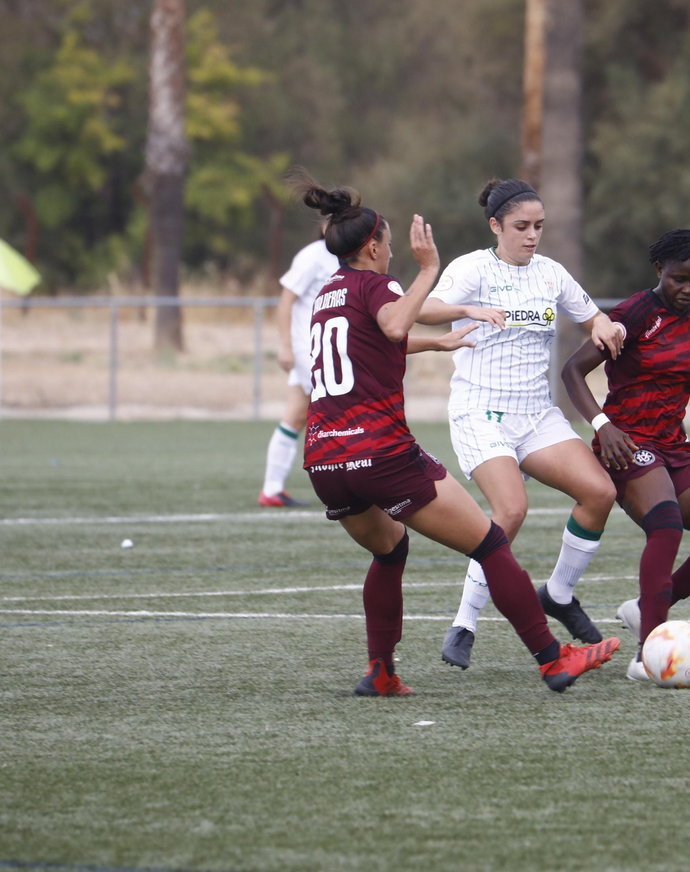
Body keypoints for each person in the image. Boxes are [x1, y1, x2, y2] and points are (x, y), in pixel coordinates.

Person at [292, 173, 618, 695]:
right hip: (379, 452)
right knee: (492, 543)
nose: (393, 252)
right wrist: (428, 269)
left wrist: (437, 346)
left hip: (325, 459)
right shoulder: (381, 284)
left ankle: (381, 671)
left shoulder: (328, 296)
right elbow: (398, 324)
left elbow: (372, 344)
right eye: (391, 244)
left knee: (390, 551)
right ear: (372, 246)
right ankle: (554, 659)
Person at [416, 178, 626, 670]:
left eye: (539, 227)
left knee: (600, 493)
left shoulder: (550, 274)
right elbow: (420, 310)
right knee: (510, 510)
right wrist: (466, 309)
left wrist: (604, 325)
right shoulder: (472, 268)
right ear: (495, 226)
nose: (532, 236)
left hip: (536, 415)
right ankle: (464, 625)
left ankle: (558, 593)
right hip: (481, 410)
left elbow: (593, 316)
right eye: (521, 227)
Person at [560, 229, 690, 681]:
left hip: (673, 447)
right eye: (678, 279)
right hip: (626, 443)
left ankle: (649, 606)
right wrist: (602, 426)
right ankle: (647, 655)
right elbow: (573, 371)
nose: (688, 290)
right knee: (666, 524)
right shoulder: (633, 313)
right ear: (659, 271)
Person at [258, 222, 341, 506]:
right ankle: (345, 486)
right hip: (311, 351)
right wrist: (286, 347)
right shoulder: (313, 255)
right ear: (324, 224)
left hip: (329, 351)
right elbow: (285, 302)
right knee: (338, 412)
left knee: (295, 416)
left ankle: (271, 490)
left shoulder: (348, 257)